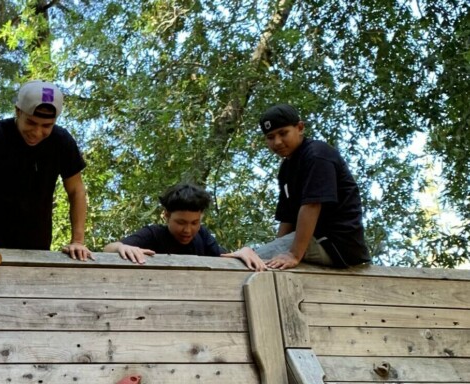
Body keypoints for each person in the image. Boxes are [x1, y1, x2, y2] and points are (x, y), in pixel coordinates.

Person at [0, 81, 92, 261]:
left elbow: (77, 191)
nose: (37, 132)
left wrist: (77, 241)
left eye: (46, 126)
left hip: (38, 250)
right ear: (18, 111)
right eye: (31, 122)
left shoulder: (62, 142)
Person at [253, 104, 370, 269]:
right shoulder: (287, 169)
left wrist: (293, 254)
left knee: (251, 261)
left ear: (300, 128)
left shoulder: (317, 155)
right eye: (270, 137)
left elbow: (312, 205)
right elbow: (287, 219)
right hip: (311, 241)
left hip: (334, 244)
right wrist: (279, 248)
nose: (277, 142)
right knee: (257, 259)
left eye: (283, 133)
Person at [104, 182, 267, 270]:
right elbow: (108, 249)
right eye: (181, 222)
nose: (188, 230)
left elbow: (224, 257)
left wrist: (243, 252)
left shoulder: (202, 235)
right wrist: (120, 247)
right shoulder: (153, 234)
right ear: (166, 215)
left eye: (195, 223)